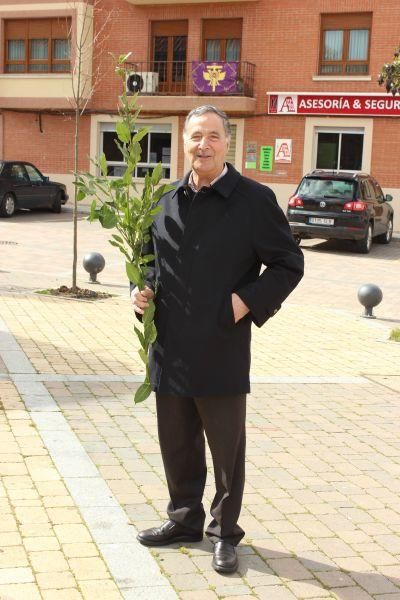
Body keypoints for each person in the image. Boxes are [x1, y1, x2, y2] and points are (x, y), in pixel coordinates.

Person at [131, 105, 304, 574]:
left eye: (212, 136)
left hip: (222, 347)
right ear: (183, 141)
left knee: (226, 450)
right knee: (177, 443)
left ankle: (224, 532)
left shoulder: (253, 199)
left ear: (227, 142)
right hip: (169, 347)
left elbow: (290, 264)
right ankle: (183, 519)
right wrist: (141, 288)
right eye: (194, 136)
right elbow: (149, 259)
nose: (202, 145)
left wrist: (244, 303)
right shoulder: (164, 199)